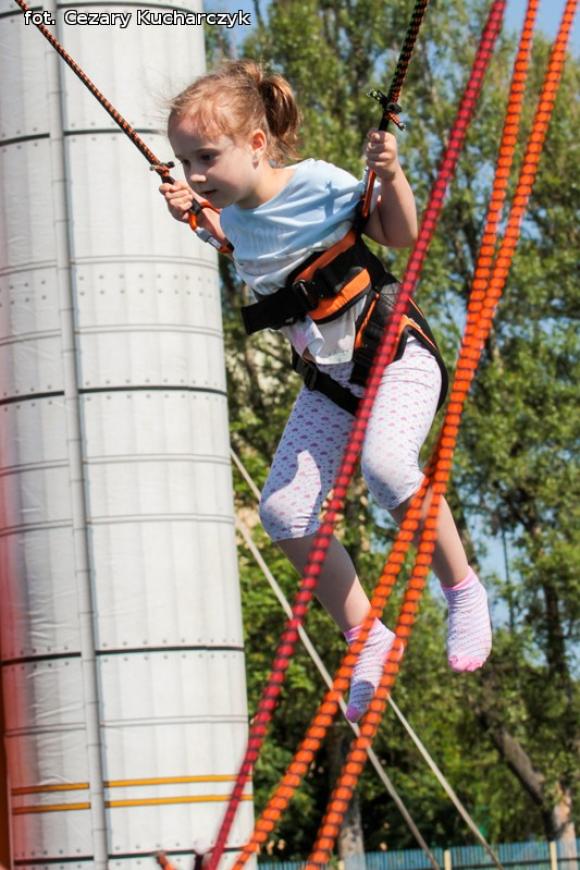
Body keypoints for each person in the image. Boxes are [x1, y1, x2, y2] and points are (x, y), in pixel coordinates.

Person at [160, 60, 492, 723]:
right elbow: (245, 244)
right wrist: (197, 216)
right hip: (333, 385)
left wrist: (391, 175)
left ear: (256, 145)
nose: (195, 173)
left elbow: (396, 234)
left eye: (205, 157)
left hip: (396, 355)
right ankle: (367, 635)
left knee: (387, 464)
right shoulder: (236, 216)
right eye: (184, 161)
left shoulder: (317, 183)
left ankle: (462, 589)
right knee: (283, 512)